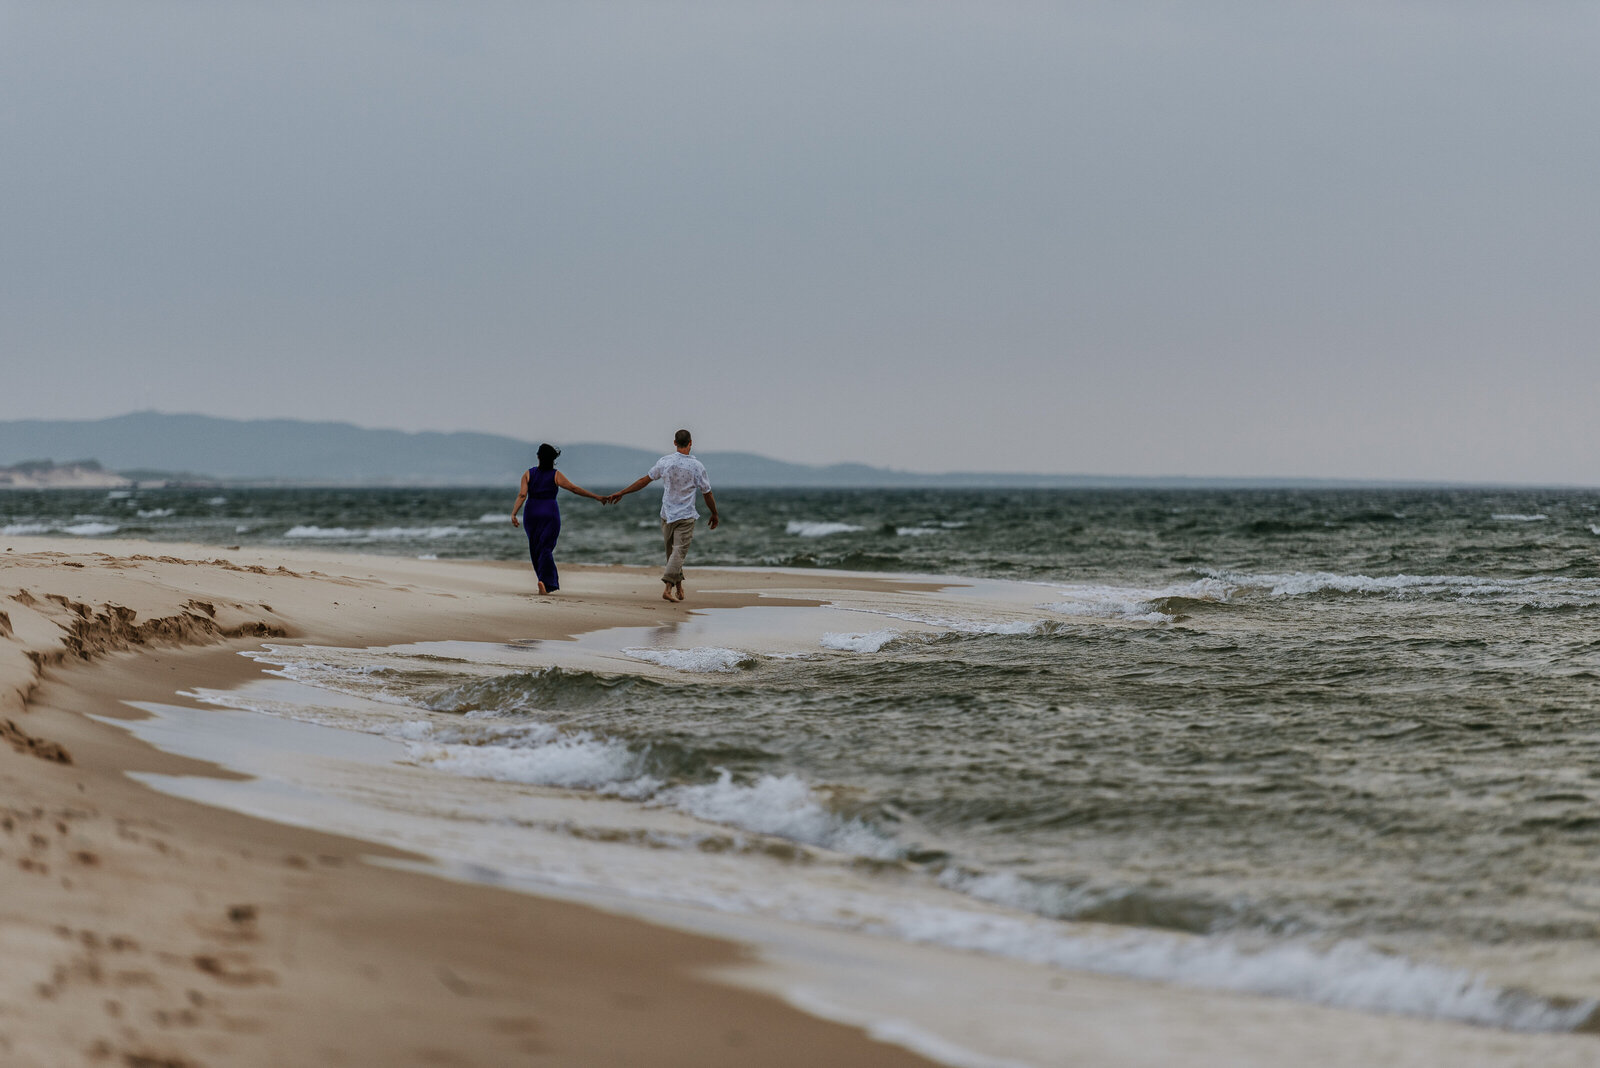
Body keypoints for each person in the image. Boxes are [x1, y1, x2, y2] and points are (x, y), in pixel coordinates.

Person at [607, 429, 719, 601]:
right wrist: (714, 513)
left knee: (673, 554)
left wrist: (623, 492)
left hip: (667, 514)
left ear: (675, 443)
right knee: (678, 553)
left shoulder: (665, 462)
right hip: (685, 515)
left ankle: (679, 588)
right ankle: (668, 588)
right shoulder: (697, 467)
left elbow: (644, 480)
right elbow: (707, 493)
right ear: (691, 443)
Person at [511, 443, 606, 594]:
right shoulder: (556, 475)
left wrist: (514, 513)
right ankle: (546, 582)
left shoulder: (528, 474)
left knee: (535, 547)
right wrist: (596, 496)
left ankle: (543, 580)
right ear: (552, 459)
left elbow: (522, 495)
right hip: (549, 513)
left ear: (538, 457)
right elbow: (574, 489)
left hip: (531, 513)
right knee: (546, 547)